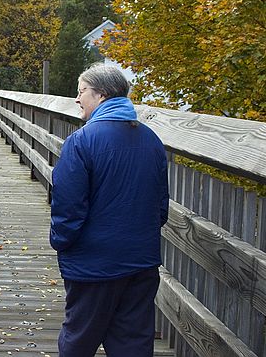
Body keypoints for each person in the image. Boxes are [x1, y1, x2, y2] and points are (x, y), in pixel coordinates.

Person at [50, 63, 169, 357]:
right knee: (133, 344)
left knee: (79, 341)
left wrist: (61, 242)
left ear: (101, 95)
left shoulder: (82, 141)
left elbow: (68, 207)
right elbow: (160, 208)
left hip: (94, 266)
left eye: (82, 92)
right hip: (140, 263)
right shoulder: (151, 139)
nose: (77, 99)